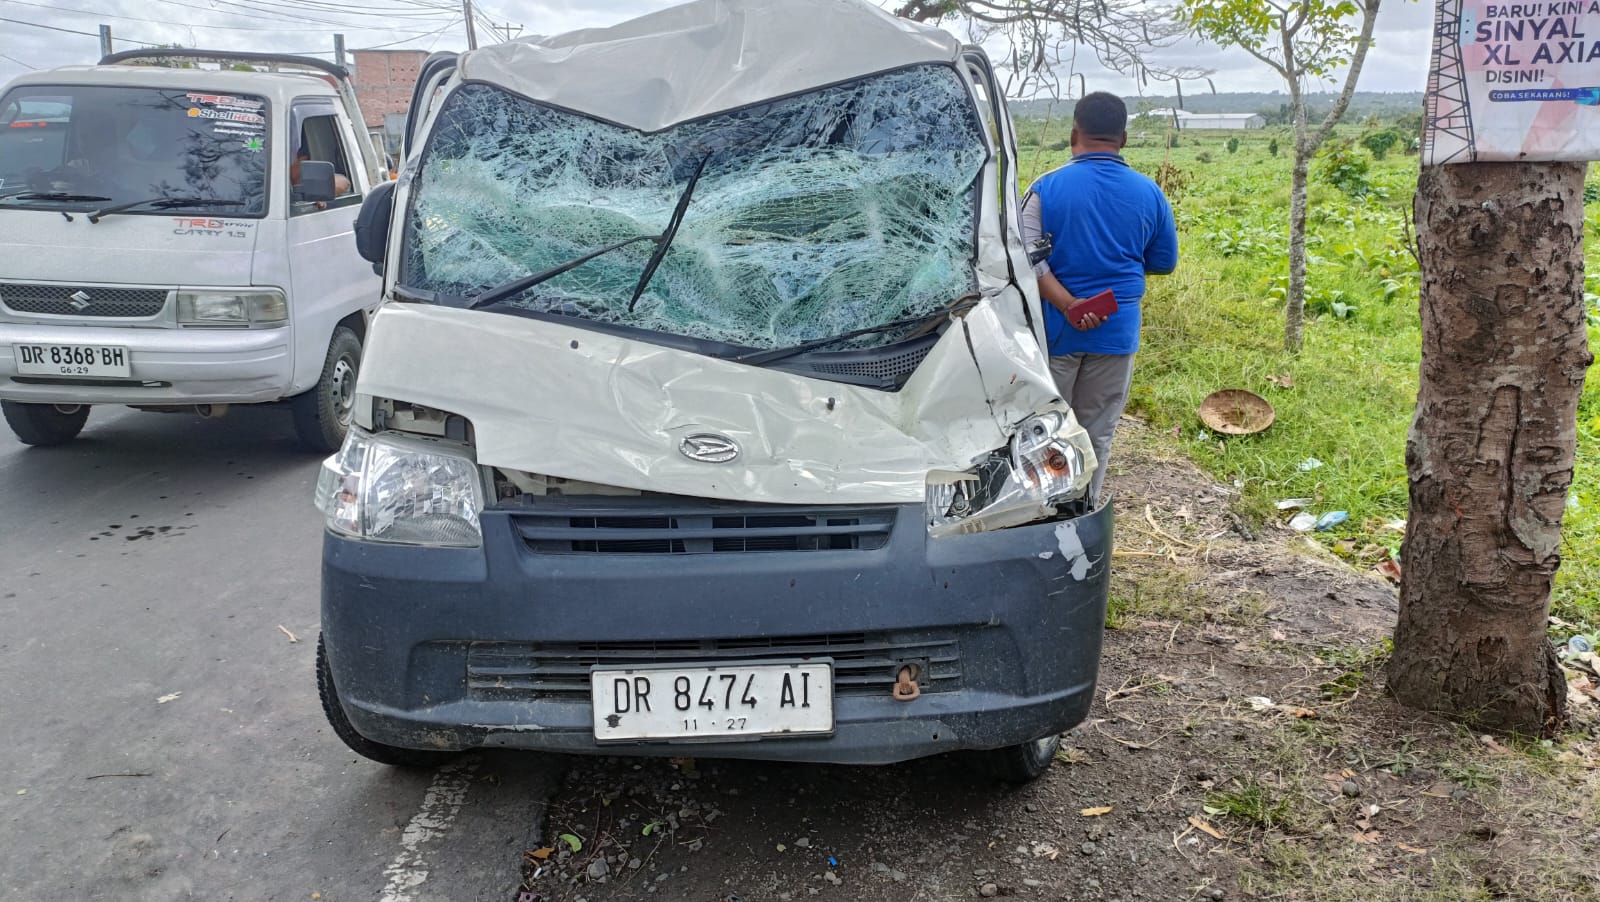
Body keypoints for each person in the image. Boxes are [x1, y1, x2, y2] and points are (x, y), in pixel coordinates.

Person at [1021, 91, 1179, 506]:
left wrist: (1068, 305)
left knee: (1045, 427)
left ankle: (1040, 510)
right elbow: (1164, 262)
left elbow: (1025, 258)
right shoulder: (1150, 193)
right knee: (1098, 431)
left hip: (1056, 334)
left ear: (1074, 134)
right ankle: (1083, 510)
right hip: (1116, 334)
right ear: (1123, 139)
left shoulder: (1044, 188)